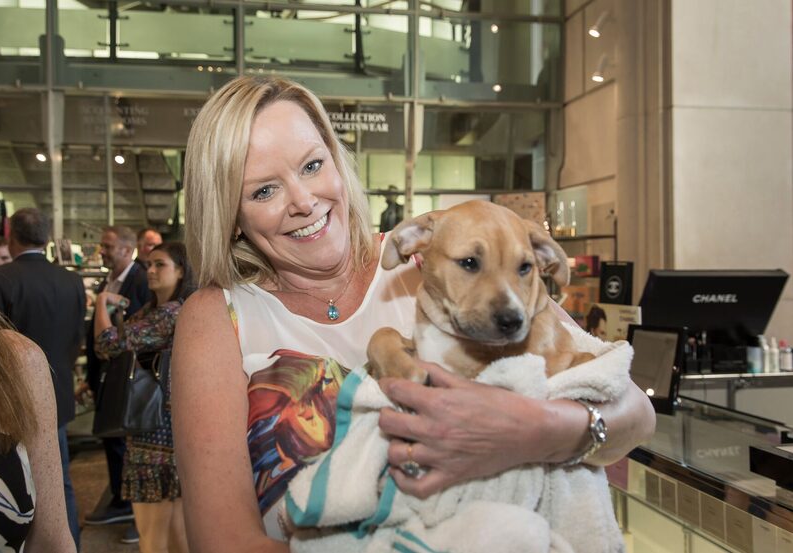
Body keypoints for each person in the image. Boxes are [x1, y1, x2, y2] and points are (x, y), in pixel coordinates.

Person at [172, 76, 656, 551]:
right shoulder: (217, 318)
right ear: (231, 216)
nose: (303, 201)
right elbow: (223, 541)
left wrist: (531, 432)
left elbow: (634, 414)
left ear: (338, 163)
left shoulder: (448, 260)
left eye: (312, 165)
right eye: (264, 191)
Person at [0, 208, 86, 549]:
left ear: (11, 235)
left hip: (9, 401)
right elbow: (77, 338)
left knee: (12, 482)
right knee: (58, 481)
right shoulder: (71, 279)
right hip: (59, 390)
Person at [94, 242, 195, 553]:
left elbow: (107, 344)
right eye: (149, 264)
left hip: (155, 430)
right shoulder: (156, 310)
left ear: (180, 271)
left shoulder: (170, 313)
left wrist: (101, 303)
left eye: (160, 265)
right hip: (166, 426)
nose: (150, 270)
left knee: (153, 536)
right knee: (176, 532)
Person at [82, 225, 150, 540]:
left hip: (127, 378)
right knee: (113, 440)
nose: (102, 250)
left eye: (108, 246)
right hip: (106, 376)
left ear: (126, 249)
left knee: (126, 444)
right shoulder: (110, 280)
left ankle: (133, 506)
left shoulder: (139, 281)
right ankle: (121, 500)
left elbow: (124, 338)